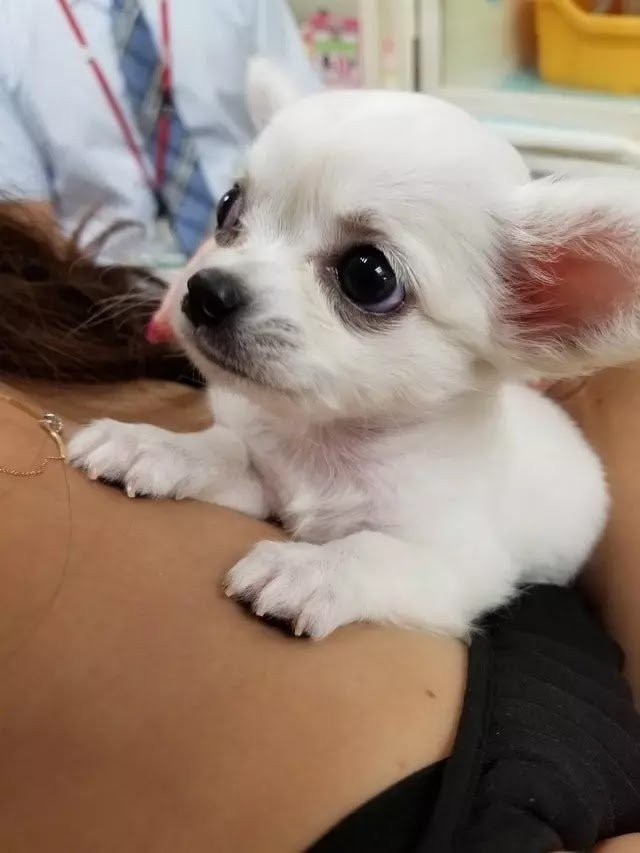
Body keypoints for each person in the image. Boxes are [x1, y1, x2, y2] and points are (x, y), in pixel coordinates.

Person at [0, 210, 639, 852]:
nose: (228, 271)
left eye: (365, 277)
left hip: (536, 636)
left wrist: (351, 569)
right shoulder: (264, 406)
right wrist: (202, 456)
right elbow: (265, 477)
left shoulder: (457, 469)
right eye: (235, 217)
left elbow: (458, 569)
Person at [0, 0, 317, 263]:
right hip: (110, 292)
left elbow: (310, 127)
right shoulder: (12, 27)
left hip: (259, 256)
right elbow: (29, 233)